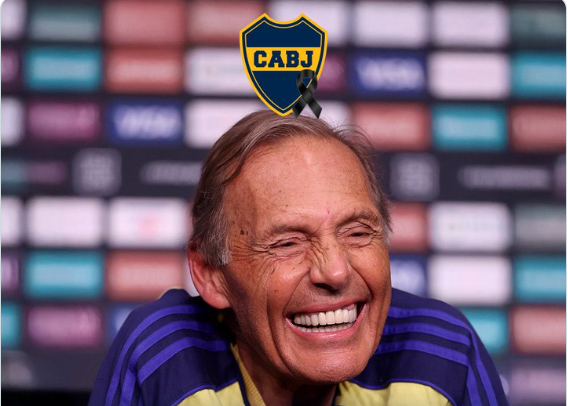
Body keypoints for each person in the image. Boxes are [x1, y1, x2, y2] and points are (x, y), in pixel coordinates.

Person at [89, 111, 508, 406]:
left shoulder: (441, 351)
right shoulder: (163, 357)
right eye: (288, 243)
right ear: (210, 274)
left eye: (357, 233)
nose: (336, 270)